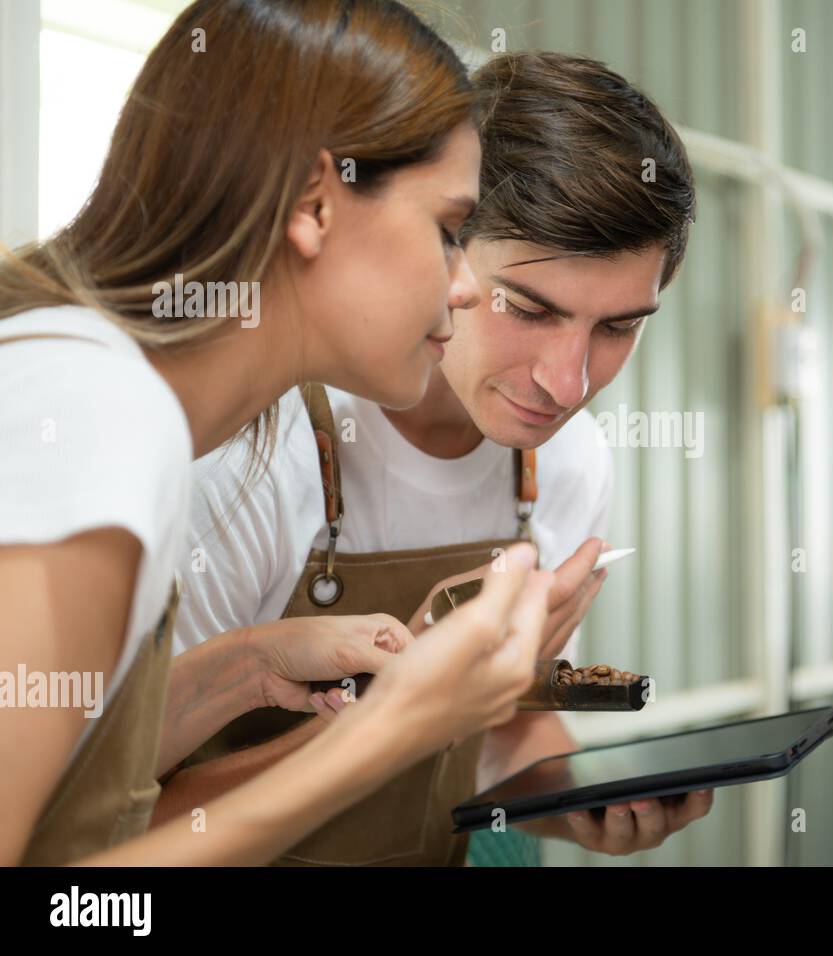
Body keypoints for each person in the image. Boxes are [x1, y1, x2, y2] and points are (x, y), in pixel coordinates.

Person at [0, 0, 551, 866]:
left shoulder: (106, 394)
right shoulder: (94, 412)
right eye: (447, 232)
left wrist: (242, 668)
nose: (467, 289)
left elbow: (63, 769)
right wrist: (388, 733)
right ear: (314, 205)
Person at [161, 52, 712, 863]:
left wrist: (573, 800)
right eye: (528, 308)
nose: (567, 384)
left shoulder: (568, 461)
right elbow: (125, 823)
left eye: (618, 327)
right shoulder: (252, 453)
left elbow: (506, 724)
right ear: (442, 250)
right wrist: (396, 715)